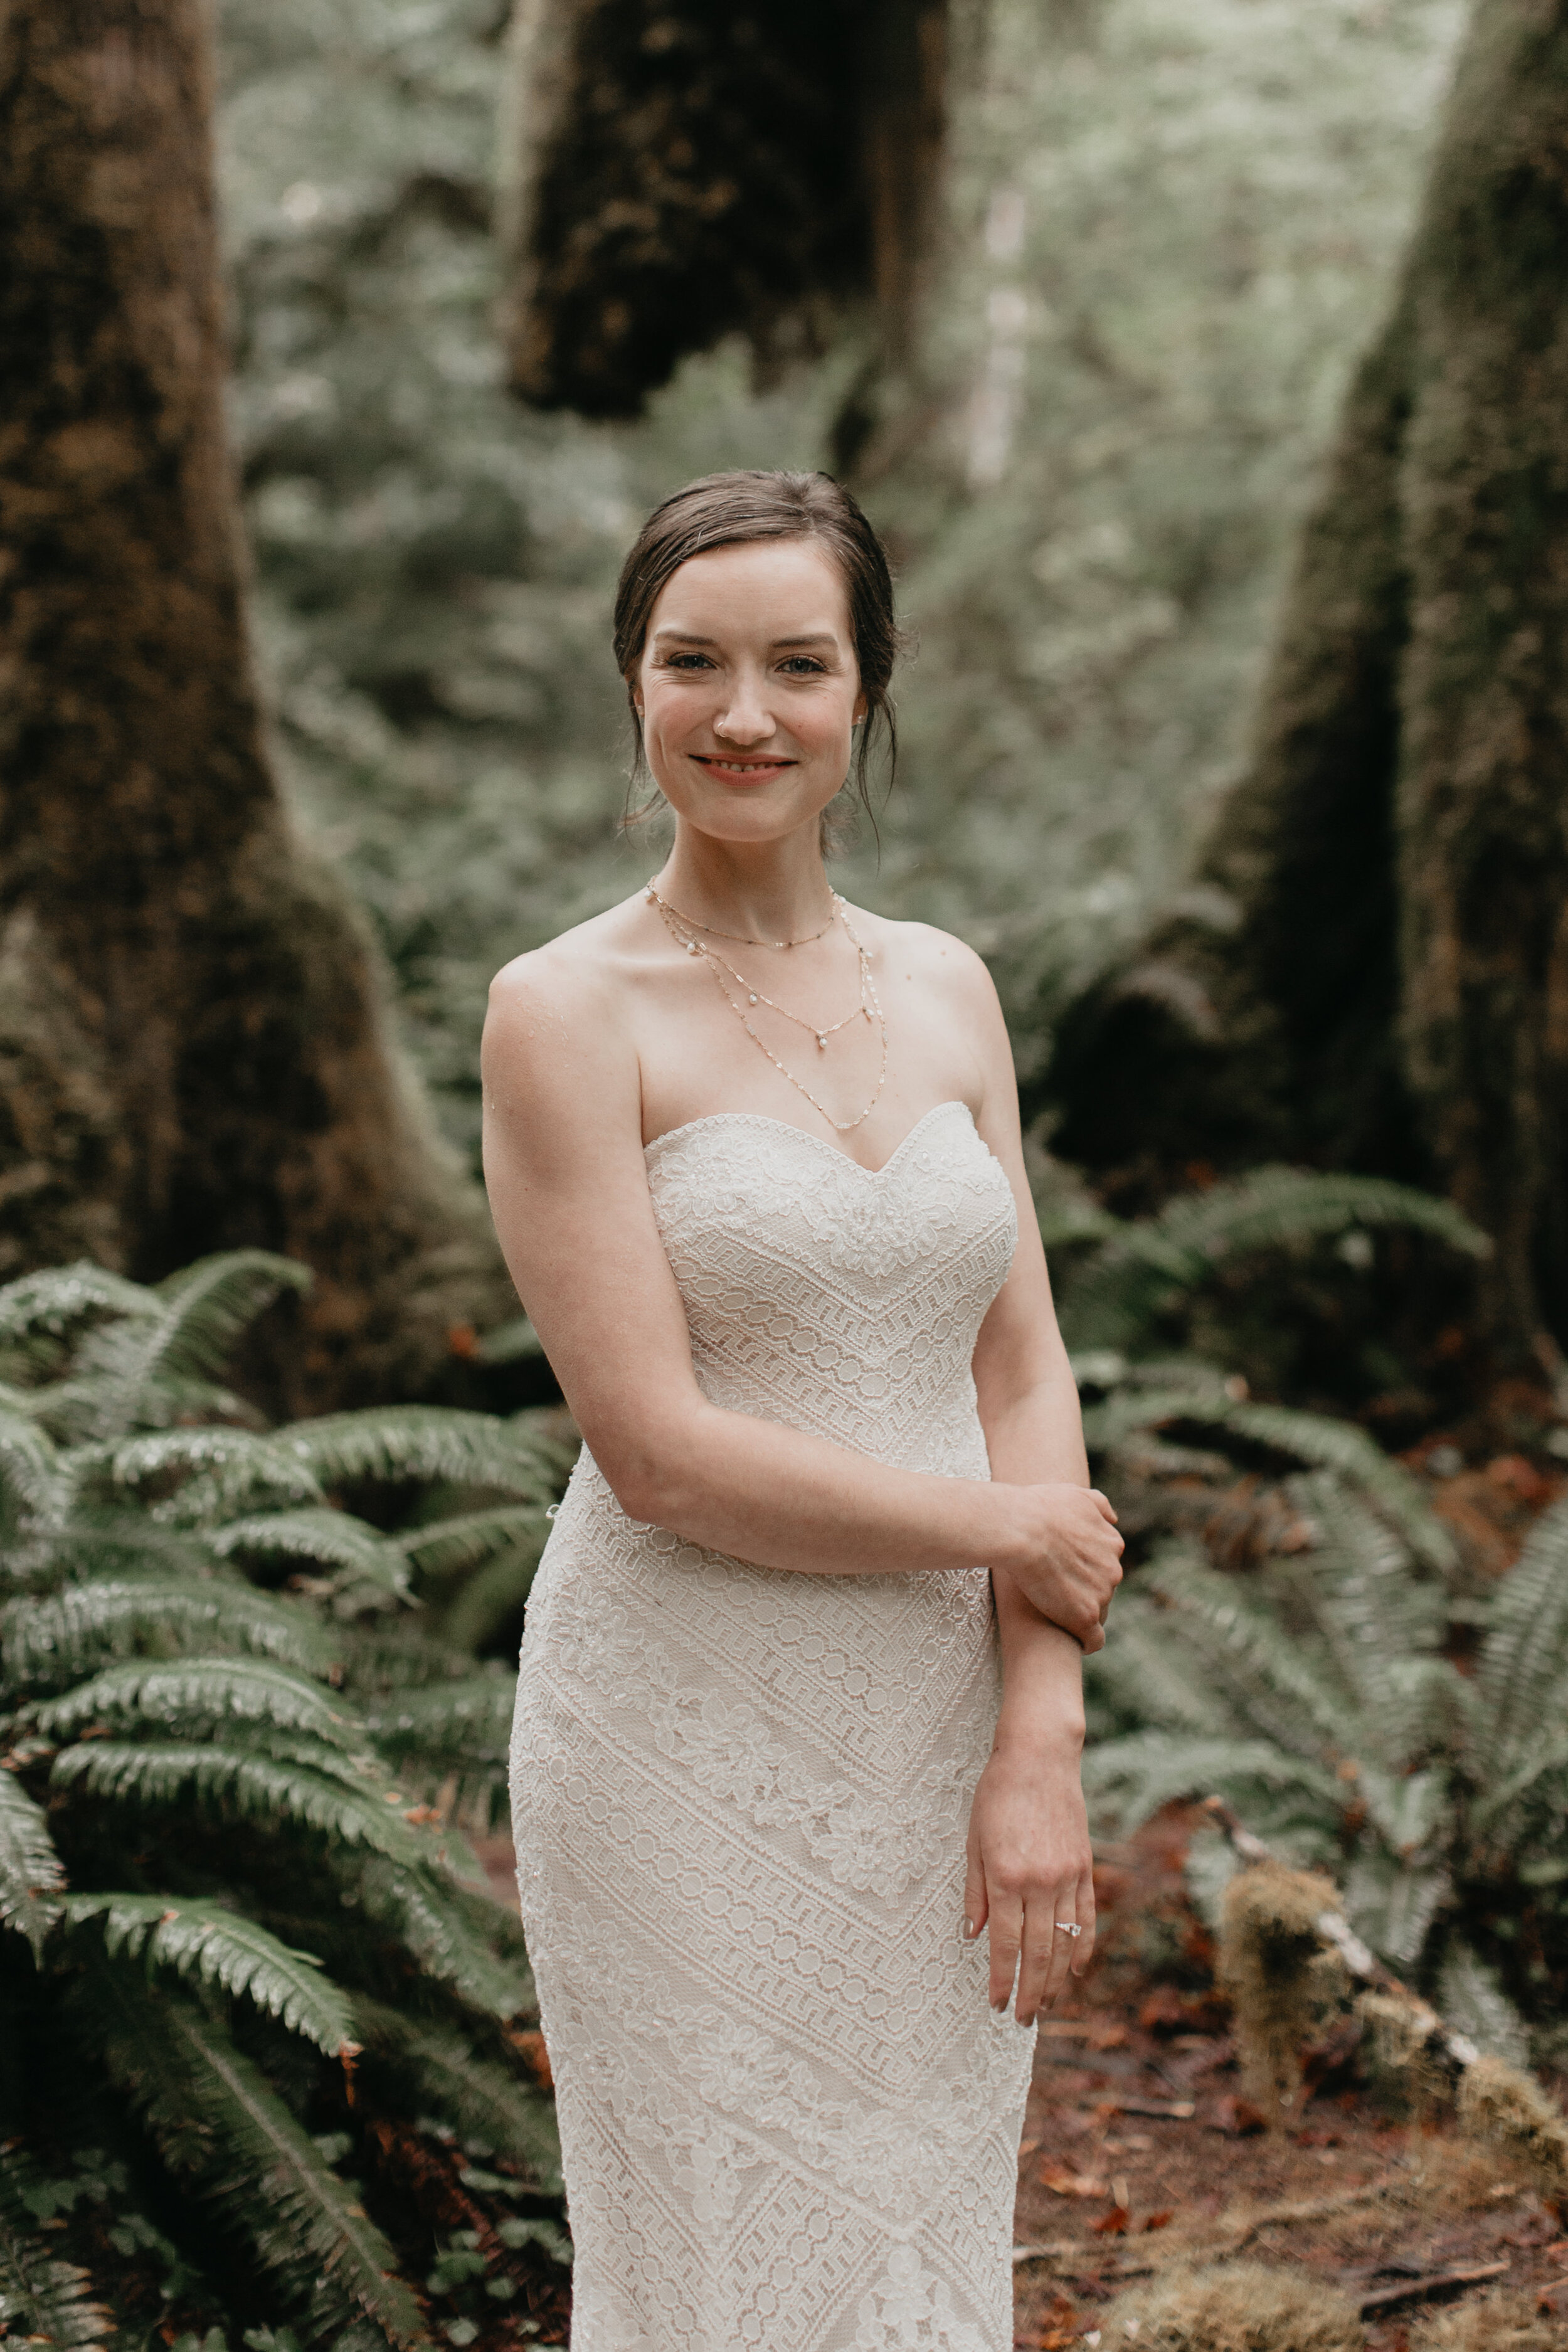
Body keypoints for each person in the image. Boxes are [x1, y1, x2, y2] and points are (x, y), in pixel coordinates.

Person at [482, 469, 1123, 2352]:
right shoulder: (562, 1010)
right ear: (633, 685)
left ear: (865, 698)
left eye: (796, 665)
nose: (741, 713)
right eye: (692, 662)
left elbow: (1019, 1368)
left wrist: (1042, 1730)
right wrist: (1003, 1530)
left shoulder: (945, 990)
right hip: (676, 1724)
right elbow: (658, 1455)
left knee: (915, 2238)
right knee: (717, 2257)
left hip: (937, 1727)